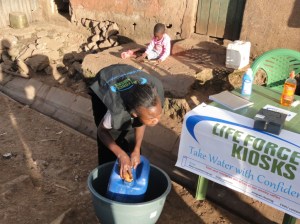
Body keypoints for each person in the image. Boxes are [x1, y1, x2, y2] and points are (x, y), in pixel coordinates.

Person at [89, 64, 164, 180]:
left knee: (132, 140)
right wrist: (121, 154)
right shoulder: (117, 110)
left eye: (159, 114)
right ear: (134, 113)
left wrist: (137, 149)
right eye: (151, 118)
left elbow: (140, 121)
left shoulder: (155, 94)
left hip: (127, 74)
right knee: (111, 138)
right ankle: (107, 174)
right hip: (105, 80)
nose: (157, 120)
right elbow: (102, 132)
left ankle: (131, 160)